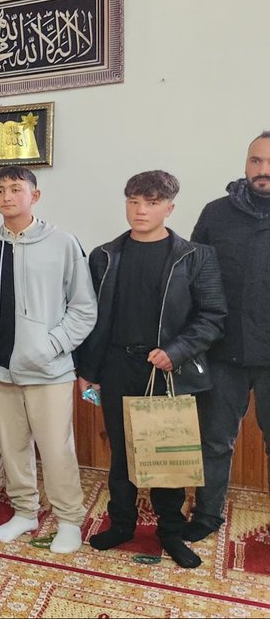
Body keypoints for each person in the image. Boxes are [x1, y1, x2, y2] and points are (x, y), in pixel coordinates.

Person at [77, 170, 226, 568]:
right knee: (122, 454)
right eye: (133, 201)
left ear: (170, 208)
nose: (141, 210)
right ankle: (122, 524)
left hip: (168, 371)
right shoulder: (104, 255)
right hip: (117, 366)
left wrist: (176, 351)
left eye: (152, 203)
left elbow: (213, 316)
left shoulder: (195, 256)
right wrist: (87, 369)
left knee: (167, 457)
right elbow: (93, 319)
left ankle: (171, 532)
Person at [0, 166, 97, 555]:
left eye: (16, 188)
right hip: (0, 368)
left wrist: (52, 345)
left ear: (34, 195)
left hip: (49, 370)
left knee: (57, 448)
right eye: (0, 190)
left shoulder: (62, 243)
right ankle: (25, 511)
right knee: (12, 447)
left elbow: (83, 309)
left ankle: (69, 520)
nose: (7, 196)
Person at [187, 131, 270, 543]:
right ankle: (207, 515)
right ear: (245, 163)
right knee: (215, 441)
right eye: (255, 161)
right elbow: (193, 278)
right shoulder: (216, 214)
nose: (263, 170)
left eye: (269, 163)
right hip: (223, 351)